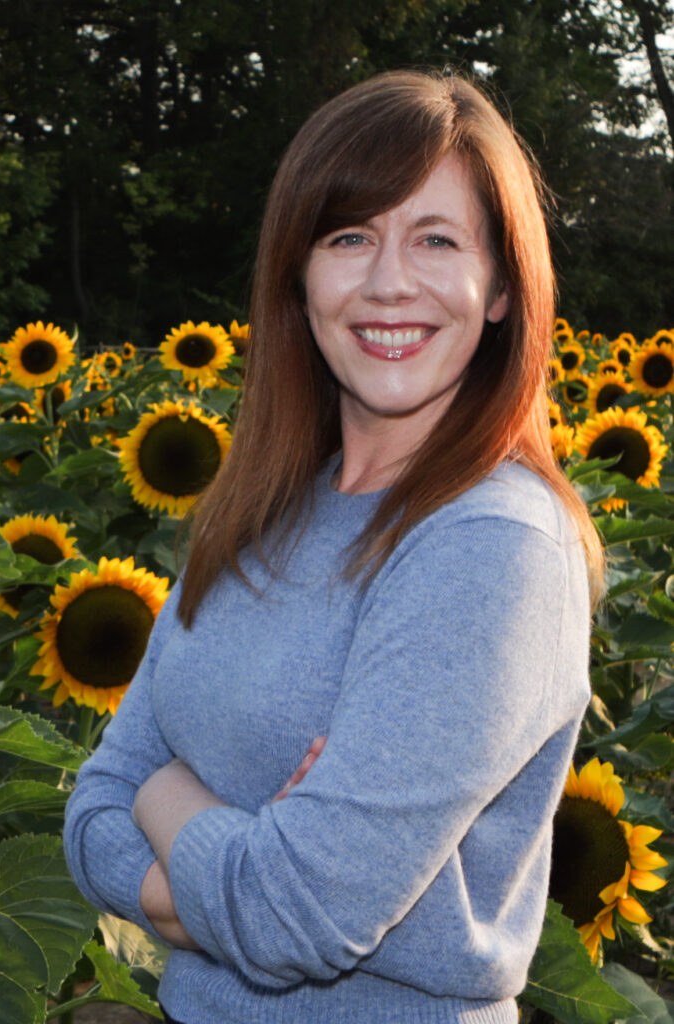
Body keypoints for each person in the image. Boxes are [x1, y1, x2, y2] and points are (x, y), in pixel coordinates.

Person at [64, 69, 603, 1024]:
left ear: (500, 291)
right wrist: (221, 839)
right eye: (348, 237)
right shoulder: (258, 508)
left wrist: (168, 791)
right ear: (299, 277)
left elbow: (294, 916)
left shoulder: (492, 546)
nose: (388, 280)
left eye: (436, 240)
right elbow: (92, 803)